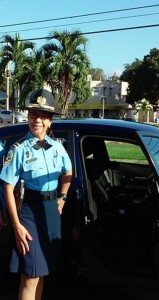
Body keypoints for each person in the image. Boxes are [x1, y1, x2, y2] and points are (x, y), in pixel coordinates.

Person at [0, 89, 73, 300]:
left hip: (50, 212)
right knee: (30, 275)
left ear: (50, 121)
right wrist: (17, 226)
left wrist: (63, 197)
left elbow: (68, 172)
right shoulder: (18, 149)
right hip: (29, 212)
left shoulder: (57, 148)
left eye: (42, 116)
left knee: (42, 273)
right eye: (33, 114)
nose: (37, 120)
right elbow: (7, 188)